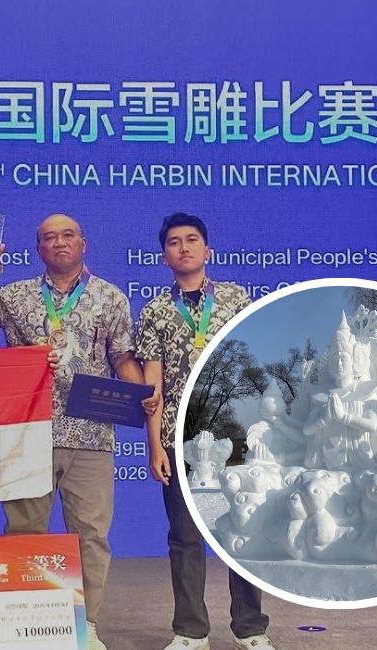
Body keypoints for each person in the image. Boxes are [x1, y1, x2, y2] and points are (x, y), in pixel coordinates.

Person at [0, 213, 148, 650]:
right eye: (50, 237)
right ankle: (27, 624)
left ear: (83, 244)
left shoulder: (110, 296)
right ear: (38, 249)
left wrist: (141, 393)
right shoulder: (15, 295)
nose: (60, 242)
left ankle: (87, 625)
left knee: (91, 537)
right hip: (29, 434)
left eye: (68, 235)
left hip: (91, 435)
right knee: (24, 532)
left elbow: (122, 356)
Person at [135, 213, 276, 650]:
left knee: (244, 532)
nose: (184, 247)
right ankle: (190, 631)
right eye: (174, 242)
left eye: (192, 239)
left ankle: (251, 629)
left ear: (207, 250)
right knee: (185, 539)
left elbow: (257, 365)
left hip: (235, 438)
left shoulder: (235, 299)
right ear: (164, 255)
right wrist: (155, 444)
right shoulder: (155, 311)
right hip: (179, 439)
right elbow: (152, 387)